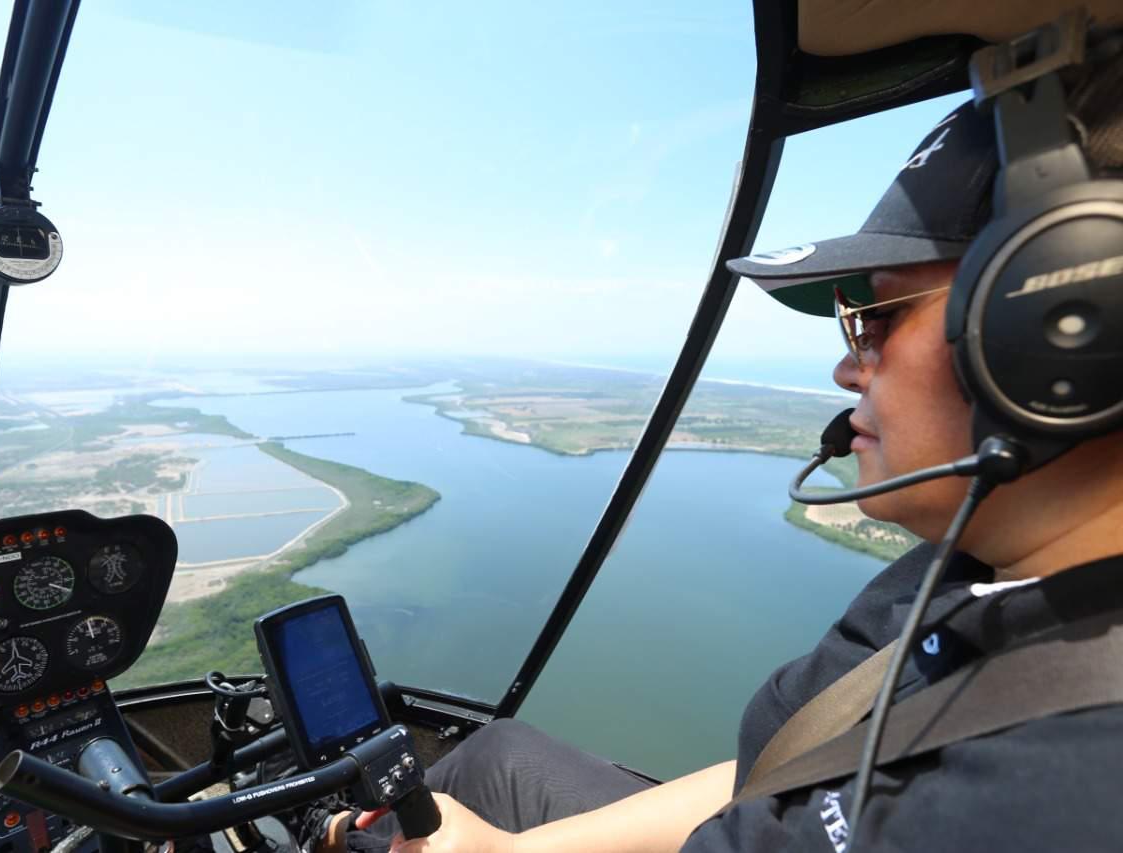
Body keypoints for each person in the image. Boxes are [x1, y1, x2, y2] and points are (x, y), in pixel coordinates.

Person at [308, 40, 1123, 853]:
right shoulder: (964, 568)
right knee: (495, 756)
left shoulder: (1052, 799)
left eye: (875, 318)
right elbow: (779, 766)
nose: (846, 367)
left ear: (1059, 330)